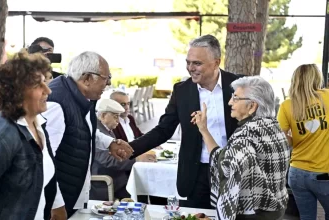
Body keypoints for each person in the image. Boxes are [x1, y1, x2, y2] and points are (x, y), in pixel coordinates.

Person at [128, 34, 240, 208]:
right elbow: (163, 130)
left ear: (216, 62)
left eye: (197, 63)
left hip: (234, 170)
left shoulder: (238, 86)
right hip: (196, 175)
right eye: (188, 62)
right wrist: (130, 148)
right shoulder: (182, 91)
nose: (190, 68)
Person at [0, 51, 66, 220]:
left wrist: (58, 205)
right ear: (17, 91)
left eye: (45, 82)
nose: (48, 90)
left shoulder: (39, 125)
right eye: (38, 85)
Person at [43, 51, 133, 216]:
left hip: (73, 192)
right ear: (87, 79)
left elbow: (81, 128)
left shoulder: (83, 96)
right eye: (106, 78)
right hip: (59, 199)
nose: (108, 84)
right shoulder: (57, 103)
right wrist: (56, 204)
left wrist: (109, 143)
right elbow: (44, 159)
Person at [193, 76, 289, 220]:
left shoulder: (246, 134)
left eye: (236, 98)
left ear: (252, 106)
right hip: (276, 208)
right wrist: (204, 130)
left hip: (254, 214)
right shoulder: (273, 127)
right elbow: (226, 159)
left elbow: (226, 169)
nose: (230, 102)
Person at [277, 64, 329, 220]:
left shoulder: (287, 104)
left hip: (297, 173)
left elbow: (279, 137)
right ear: (316, 78)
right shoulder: (327, 97)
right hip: (323, 174)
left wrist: (296, 140)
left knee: (306, 217)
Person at [91, 99, 156, 201]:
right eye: (115, 117)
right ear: (103, 116)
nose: (118, 121)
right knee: (142, 190)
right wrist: (137, 159)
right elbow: (109, 160)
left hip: (118, 179)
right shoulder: (96, 132)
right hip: (105, 183)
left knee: (145, 185)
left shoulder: (106, 128)